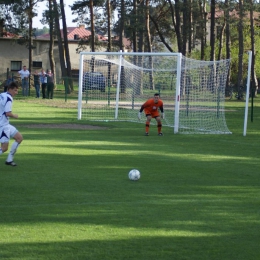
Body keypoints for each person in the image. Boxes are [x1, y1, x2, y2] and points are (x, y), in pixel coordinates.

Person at [0, 82, 23, 166]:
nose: (16, 93)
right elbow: (8, 113)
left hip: (5, 124)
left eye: (17, 91)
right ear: (9, 89)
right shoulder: (9, 98)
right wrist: (15, 116)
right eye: (15, 90)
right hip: (3, 126)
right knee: (4, 148)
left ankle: (9, 160)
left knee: (19, 138)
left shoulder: (2, 94)